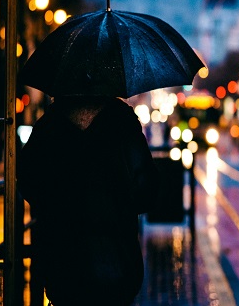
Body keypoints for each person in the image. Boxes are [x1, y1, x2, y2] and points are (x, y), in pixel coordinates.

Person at [16, 95, 160, 305]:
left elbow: (28, 181)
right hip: (116, 259)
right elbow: (147, 191)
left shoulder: (51, 122)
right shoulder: (122, 120)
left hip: (63, 261)